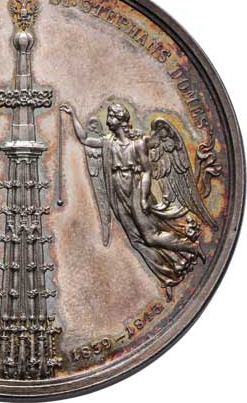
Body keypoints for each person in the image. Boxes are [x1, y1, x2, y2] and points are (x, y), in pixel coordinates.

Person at [60, 102, 207, 301]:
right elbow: (85, 139)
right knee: (136, 240)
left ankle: (190, 247)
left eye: (111, 116)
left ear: (120, 119)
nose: (108, 121)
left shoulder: (138, 143)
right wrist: (73, 115)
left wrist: (144, 196)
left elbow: (146, 171)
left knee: (150, 236)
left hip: (135, 189)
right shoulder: (108, 142)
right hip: (117, 191)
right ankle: (168, 276)